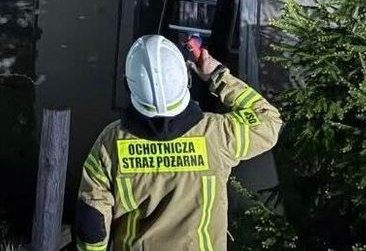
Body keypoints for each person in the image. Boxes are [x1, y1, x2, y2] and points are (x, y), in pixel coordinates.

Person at [76, 34, 282, 251]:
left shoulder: (110, 143)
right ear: (187, 79)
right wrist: (217, 75)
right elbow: (268, 121)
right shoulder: (217, 135)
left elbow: (92, 225)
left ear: (128, 85)